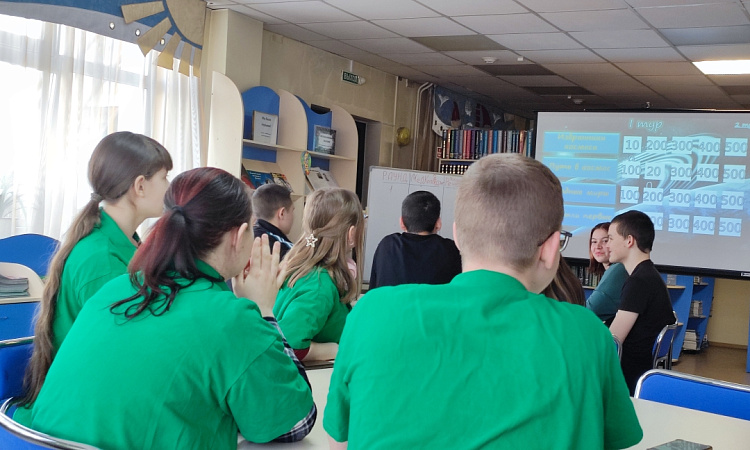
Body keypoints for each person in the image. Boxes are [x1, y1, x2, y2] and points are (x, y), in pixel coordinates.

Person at [324, 154, 642, 449]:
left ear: (457, 236)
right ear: (550, 248)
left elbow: (339, 440)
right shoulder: (587, 335)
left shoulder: (370, 313)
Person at [24, 168, 316, 449]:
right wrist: (264, 311)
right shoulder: (230, 317)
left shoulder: (117, 287)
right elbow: (294, 423)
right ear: (238, 236)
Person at [15, 131, 173, 424]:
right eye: (165, 177)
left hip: (97, 395)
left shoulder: (123, 243)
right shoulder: (102, 260)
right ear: (140, 185)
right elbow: (125, 351)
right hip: (83, 409)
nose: (169, 187)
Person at [273, 187, 364, 362]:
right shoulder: (319, 285)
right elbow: (292, 345)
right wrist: (335, 350)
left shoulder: (302, 268)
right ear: (351, 233)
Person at [607, 210, 675, 395]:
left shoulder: (639, 282)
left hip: (628, 374)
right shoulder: (649, 275)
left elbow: (612, 341)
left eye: (610, 238)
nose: (607, 245)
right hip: (638, 369)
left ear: (629, 241)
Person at [369, 190, 461, 289]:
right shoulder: (452, 250)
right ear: (438, 223)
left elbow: (374, 289)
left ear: (402, 223)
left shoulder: (387, 246)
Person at [586, 222, 629, 325]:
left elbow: (591, 310)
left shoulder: (619, 269)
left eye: (605, 241)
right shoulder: (615, 269)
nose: (598, 246)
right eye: (594, 242)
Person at [252, 183, 295, 259]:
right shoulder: (285, 249)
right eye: (292, 211)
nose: (293, 216)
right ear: (282, 213)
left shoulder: (248, 237)